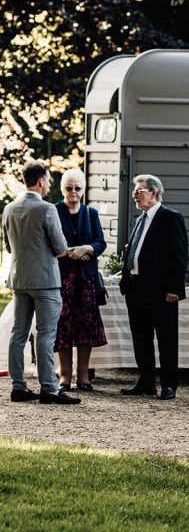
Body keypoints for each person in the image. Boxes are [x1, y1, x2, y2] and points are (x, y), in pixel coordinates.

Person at [2, 161, 80, 404]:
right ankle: (49, 388)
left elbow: (7, 245)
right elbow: (59, 248)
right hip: (45, 280)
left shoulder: (9, 208)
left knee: (19, 333)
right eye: (48, 181)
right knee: (46, 334)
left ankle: (19, 386)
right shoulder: (47, 209)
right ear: (41, 182)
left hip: (20, 278)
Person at [119, 174, 188, 400]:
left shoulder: (170, 218)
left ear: (154, 192)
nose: (135, 196)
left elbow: (179, 256)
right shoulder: (141, 219)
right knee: (141, 337)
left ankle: (169, 384)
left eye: (139, 191)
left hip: (161, 290)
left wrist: (174, 289)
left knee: (166, 338)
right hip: (136, 287)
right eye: (135, 192)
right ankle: (146, 381)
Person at [54, 168, 107, 392]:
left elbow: (100, 242)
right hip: (63, 278)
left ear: (83, 190)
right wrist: (67, 252)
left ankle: (83, 376)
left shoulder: (90, 213)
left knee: (86, 327)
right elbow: (49, 242)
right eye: (69, 188)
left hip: (86, 280)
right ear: (62, 189)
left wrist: (87, 248)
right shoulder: (54, 211)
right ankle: (65, 376)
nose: (73, 192)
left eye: (77, 188)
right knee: (63, 325)